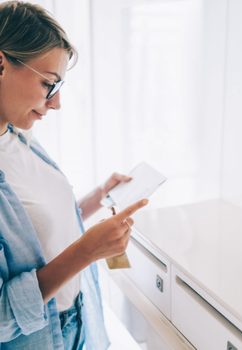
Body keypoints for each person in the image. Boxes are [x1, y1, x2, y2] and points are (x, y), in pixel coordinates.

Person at [0, 1, 148, 349]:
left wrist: (97, 197)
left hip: (77, 318)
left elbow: (37, 234)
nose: (56, 103)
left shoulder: (19, 139)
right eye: (49, 84)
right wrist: (86, 252)